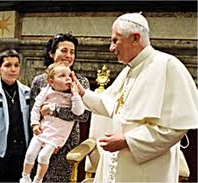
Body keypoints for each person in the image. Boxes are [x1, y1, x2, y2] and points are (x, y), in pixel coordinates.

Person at [72, 12, 198, 182]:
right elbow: (111, 105)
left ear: (135, 38)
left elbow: (175, 128)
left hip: (148, 169)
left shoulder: (168, 65)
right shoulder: (130, 70)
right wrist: (82, 93)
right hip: (116, 163)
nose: (111, 48)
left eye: (115, 40)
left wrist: (128, 140)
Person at [30, 33, 91, 182]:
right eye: (64, 50)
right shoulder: (39, 81)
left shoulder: (80, 81)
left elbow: (83, 116)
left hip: (66, 142)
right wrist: (39, 135)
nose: (68, 56)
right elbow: (34, 112)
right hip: (41, 138)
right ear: (52, 53)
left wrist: (54, 110)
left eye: (72, 52)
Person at [20, 63, 85, 183]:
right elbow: (36, 108)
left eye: (69, 75)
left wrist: (76, 94)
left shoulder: (72, 95)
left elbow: (79, 112)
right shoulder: (46, 91)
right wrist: (34, 124)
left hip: (58, 135)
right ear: (51, 82)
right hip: (43, 129)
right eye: (62, 76)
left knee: (43, 156)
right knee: (30, 154)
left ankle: (38, 179)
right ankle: (25, 176)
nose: (67, 78)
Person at [0, 48, 31, 182]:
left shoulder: (27, 92)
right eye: (8, 65)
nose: (13, 69)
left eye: (16, 65)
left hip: (22, 154)